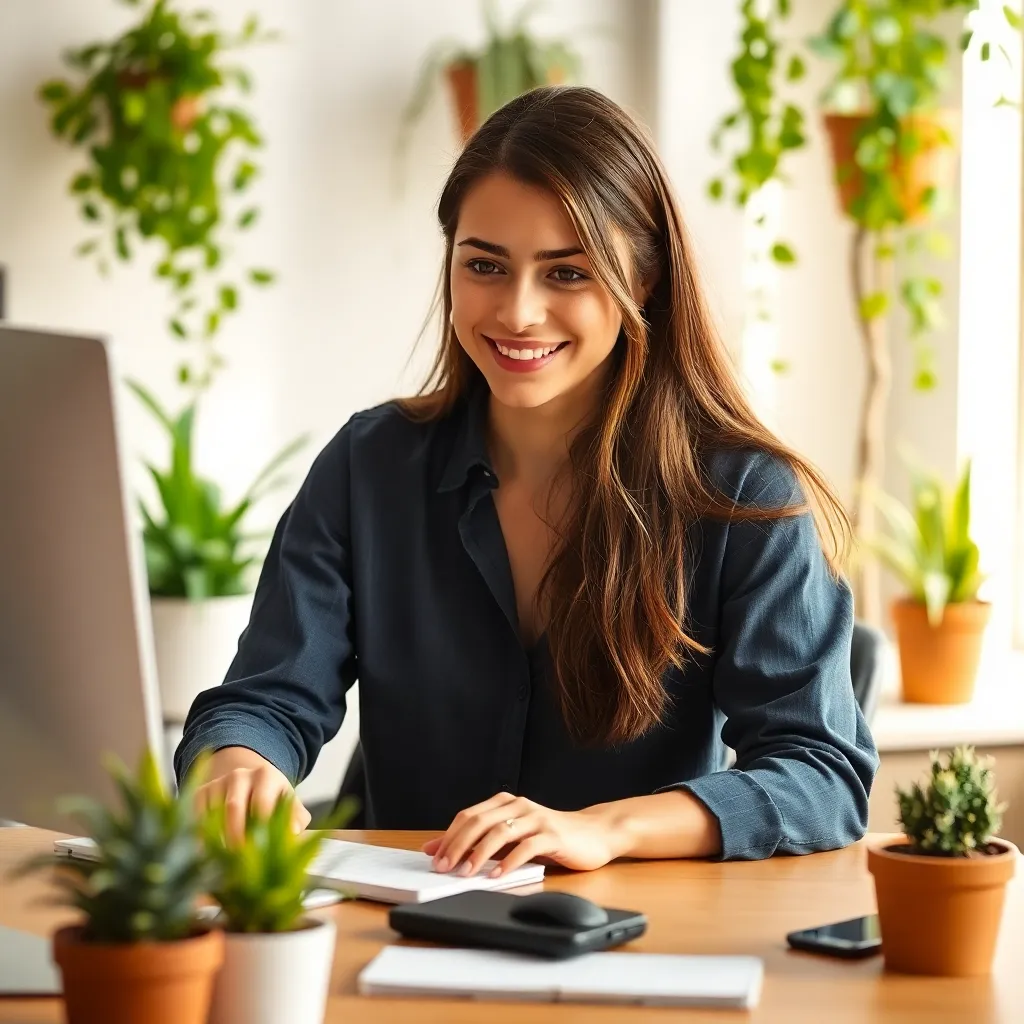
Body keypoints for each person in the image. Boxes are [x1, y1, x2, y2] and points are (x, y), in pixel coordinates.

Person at [177, 85, 878, 874]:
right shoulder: (368, 467)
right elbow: (266, 697)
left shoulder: (744, 496)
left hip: (635, 944)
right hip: (396, 939)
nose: (517, 312)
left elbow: (821, 775)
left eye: (568, 274)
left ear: (642, 280)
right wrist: (238, 767)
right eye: (484, 265)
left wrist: (604, 830)